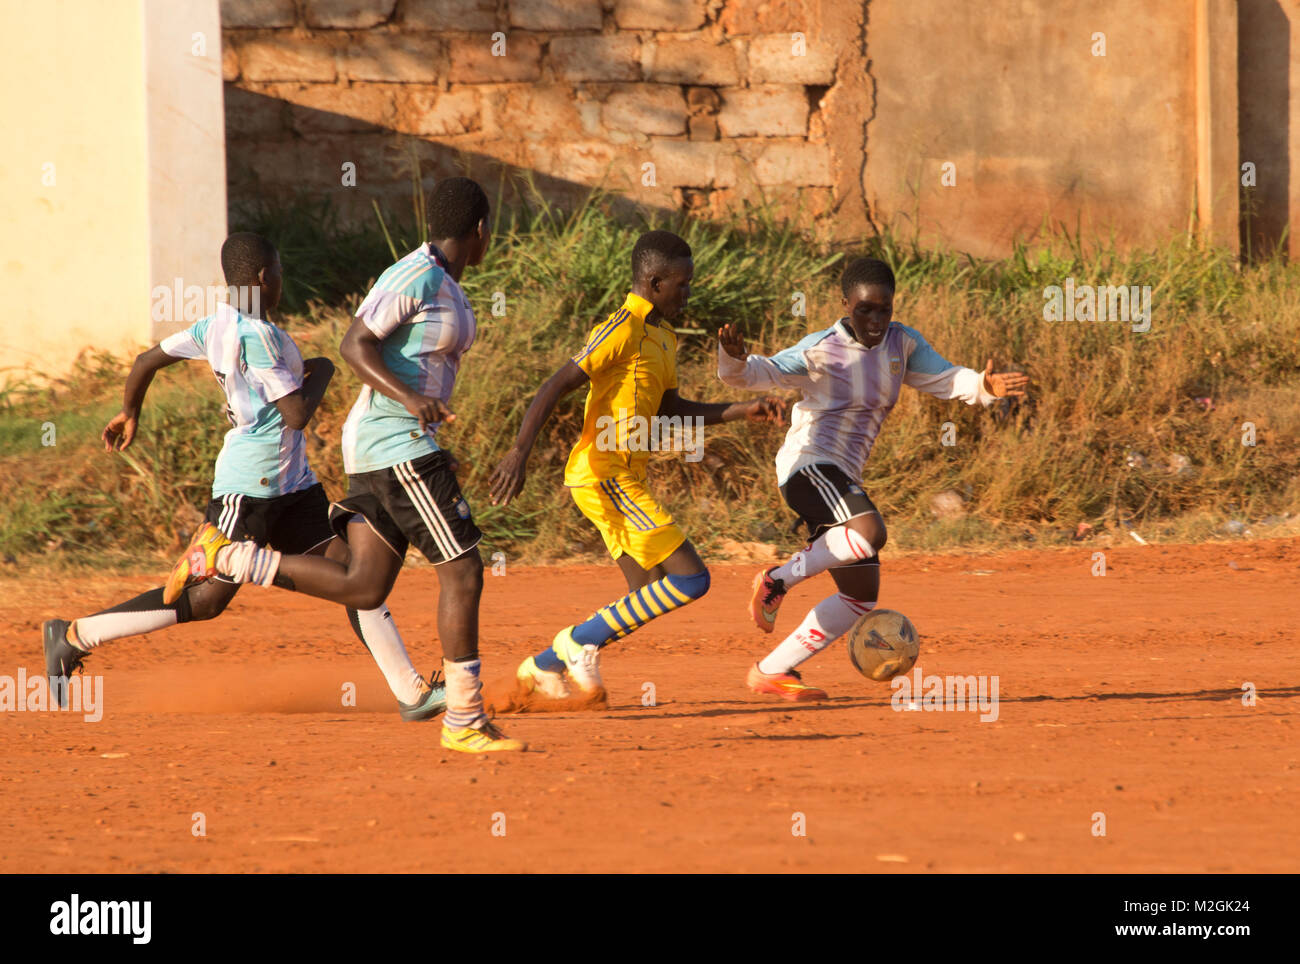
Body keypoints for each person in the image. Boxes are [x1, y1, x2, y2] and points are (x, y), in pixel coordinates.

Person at [172, 179, 524, 753]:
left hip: (399, 446)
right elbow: (354, 343)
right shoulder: (416, 276)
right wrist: (414, 408)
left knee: (364, 586)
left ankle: (231, 556)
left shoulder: (447, 286)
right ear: (480, 230)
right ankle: (464, 720)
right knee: (463, 571)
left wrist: (430, 430)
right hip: (394, 443)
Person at [43, 233, 444, 720]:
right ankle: (74, 635)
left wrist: (131, 412)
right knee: (207, 599)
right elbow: (296, 414)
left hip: (293, 485)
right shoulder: (261, 337)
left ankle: (411, 692)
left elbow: (146, 360)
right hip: (248, 490)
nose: (281, 280)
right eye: (278, 271)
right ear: (263, 279)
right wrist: (322, 372)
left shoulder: (215, 324)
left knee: (353, 577)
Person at [489, 230, 783, 705]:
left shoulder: (663, 337)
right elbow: (555, 385)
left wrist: (740, 411)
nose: (689, 293)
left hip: (623, 476)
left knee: (641, 594)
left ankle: (544, 665)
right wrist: (519, 452)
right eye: (682, 285)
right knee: (692, 579)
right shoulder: (622, 326)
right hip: (604, 473)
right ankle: (576, 643)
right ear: (653, 281)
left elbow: (671, 409)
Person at [718, 256, 1030, 699]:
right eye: (864, 309)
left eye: (884, 309)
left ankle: (770, 671)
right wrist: (731, 361)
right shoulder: (820, 349)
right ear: (846, 305)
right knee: (869, 532)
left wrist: (983, 386)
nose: (876, 319)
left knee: (860, 596)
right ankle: (777, 579)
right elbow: (755, 373)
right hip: (807, 466)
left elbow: (944, 378)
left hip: (843, 478)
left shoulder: (902, 344)